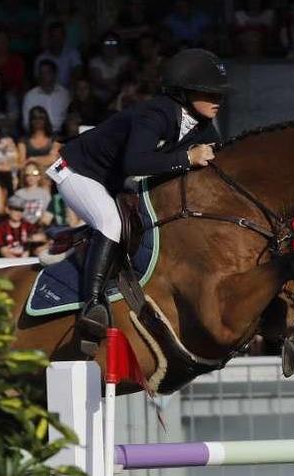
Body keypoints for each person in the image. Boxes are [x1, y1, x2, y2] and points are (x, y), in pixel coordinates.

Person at [50, 48, 228, 332]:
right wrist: (187, 158)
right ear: (184, 92)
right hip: (76, 171)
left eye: (220, 94)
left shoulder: (202, 125)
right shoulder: (157, 113)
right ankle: (92, 305)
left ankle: (87, 241)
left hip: (111, 179)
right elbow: (135, 162)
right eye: (210, 93)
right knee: (111, 223)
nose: (218, 100)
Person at [22, 59, 69, 132]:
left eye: (47, 72)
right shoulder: (30, 95)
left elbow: (69, 118)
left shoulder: (64, 94)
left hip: (62, 134)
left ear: (54, 74)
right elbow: (27, 123)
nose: (44, 76)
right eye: (41, 73)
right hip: (38, 135)